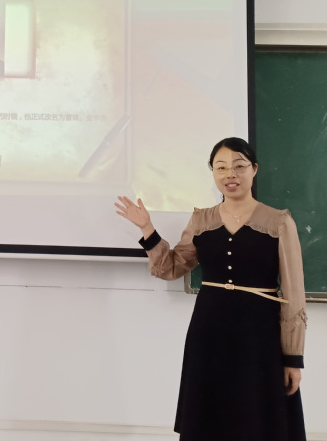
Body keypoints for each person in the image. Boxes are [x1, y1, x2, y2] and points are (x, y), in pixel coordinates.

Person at [115, 137, 307, 441]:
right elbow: (170, 267)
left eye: (239, 166)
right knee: (208, 418)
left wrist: (293, 358)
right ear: (213, 173)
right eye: (221, 167)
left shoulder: (279, 222)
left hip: (259, 336)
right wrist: (147, 229)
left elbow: (294, 295)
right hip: (209, 333)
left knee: (258, 419)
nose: (230, 174)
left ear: (254, 170)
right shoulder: (201, 219)